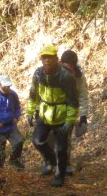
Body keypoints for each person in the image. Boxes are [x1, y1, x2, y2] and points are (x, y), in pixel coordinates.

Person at [25, 44, 79, 187]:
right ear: (41, 59)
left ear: (56, 58)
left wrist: (69, 121)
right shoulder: (38, 74)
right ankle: (50, 160)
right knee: (37, 140)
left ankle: (59, 176)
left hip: (61, 116)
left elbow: (73, 101)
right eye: (44, 58)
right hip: (44, 113)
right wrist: (30, 112)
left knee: (61, 148)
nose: (47, 60)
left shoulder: (65, 76)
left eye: (50, 57)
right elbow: (33, 95)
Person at [0, 74, 24, 170]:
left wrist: (16, 117)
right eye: (5, 86)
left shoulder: (13, 94)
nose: (7, 88)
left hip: (11, 125)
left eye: (8, 86)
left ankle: (14, 160)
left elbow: (17, 107)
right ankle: (0, 171)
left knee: (19, 141)